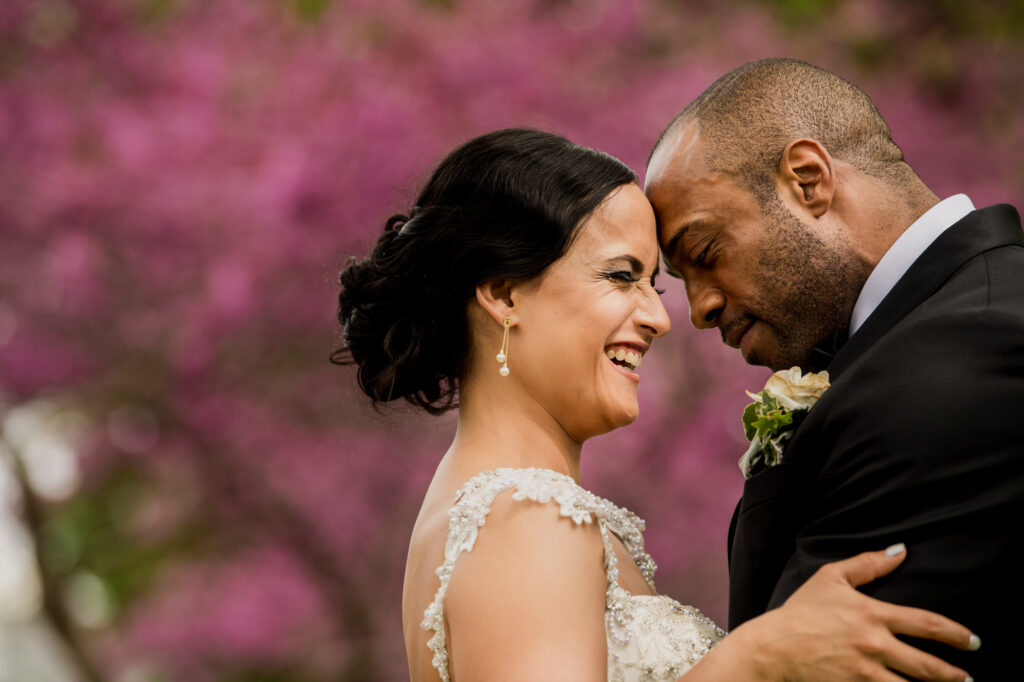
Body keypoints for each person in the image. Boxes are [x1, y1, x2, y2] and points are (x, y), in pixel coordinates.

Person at [335, 128, 978, 681]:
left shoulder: (486, 506)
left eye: (654, 284)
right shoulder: (525, 517)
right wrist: (753, 658)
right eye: (621, 276)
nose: (659, 318)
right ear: (504, 294)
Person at [645, 58, 1024, 680]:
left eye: (706, 253)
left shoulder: (963, 357)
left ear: (808, 179)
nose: (699, 311)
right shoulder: (916, 341)